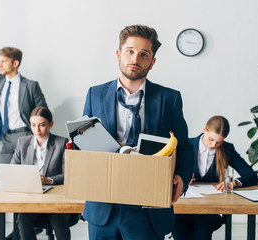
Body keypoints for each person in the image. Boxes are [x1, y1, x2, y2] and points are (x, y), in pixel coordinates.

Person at [82, 24, 194, 239]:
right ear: (118, 54)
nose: (135, 59)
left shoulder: (170, 99)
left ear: (152, 62)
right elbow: (84, 143)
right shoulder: (94, 94)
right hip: (104, 206)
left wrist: (181, 176)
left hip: (148, 208)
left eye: (144, 54)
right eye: (130, 51)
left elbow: (185, 147)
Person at [173, 115, 258, 240]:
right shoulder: (186, 145)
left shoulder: (227, 149)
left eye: (219, 142)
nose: (214, 145)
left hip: (208, 207)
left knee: (202, 234)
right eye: (211, 139)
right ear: (204, 130)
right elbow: (168, 172)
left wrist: (235, 183)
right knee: (179, 233)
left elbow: (251, 175)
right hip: (184, 204)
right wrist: (181, 176)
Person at [11, 106, 71, 240]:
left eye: (42, 125)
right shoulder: (22, 142)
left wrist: (48, 180)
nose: (37, 130)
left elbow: (69, 175)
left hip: (55, 198)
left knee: (59, 221)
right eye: (33, 125)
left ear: (51, 124)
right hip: (31, 197)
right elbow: (12, 170)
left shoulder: (62, 143)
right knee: (22, 219)